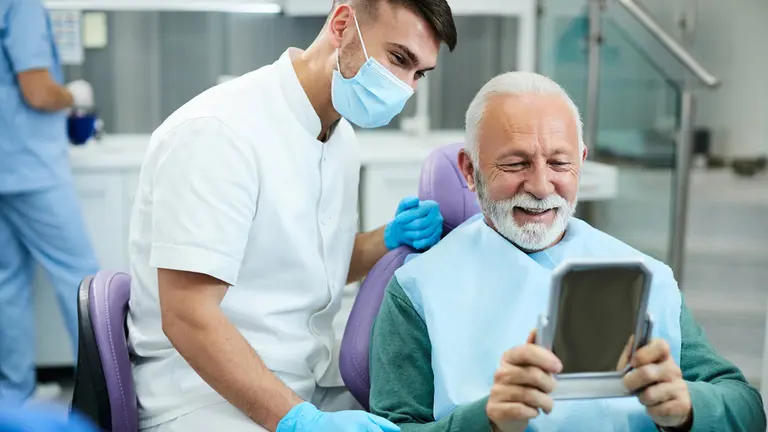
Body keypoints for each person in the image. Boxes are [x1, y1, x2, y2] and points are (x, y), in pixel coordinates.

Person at [368, 72, 767, 431]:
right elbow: (391, 428)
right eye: (515, 164)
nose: (542, 187)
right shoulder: (418, 288)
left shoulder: (646, 277)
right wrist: (485, 421)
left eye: (559, 163)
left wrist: (688, 410)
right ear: (470, 171)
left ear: (581, 161)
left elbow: (746, 407)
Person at [126, 1, 457, 431]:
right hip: (202, 398)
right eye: (398, 58)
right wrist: (300, 422)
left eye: (418, 73)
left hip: (303, 381)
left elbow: (307, 261)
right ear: (342, 24)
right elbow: (188, 315)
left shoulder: (339, 137)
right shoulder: (219, 132)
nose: (405, 88)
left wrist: (389, 238)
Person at [0, 0, 99, 404]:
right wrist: (71, 94)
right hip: (30, 167)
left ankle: (13, 394)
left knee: (7, 281)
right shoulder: (20, 5)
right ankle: (102, 393)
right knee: (82, 279)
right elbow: (38, 92)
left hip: (7, 165)